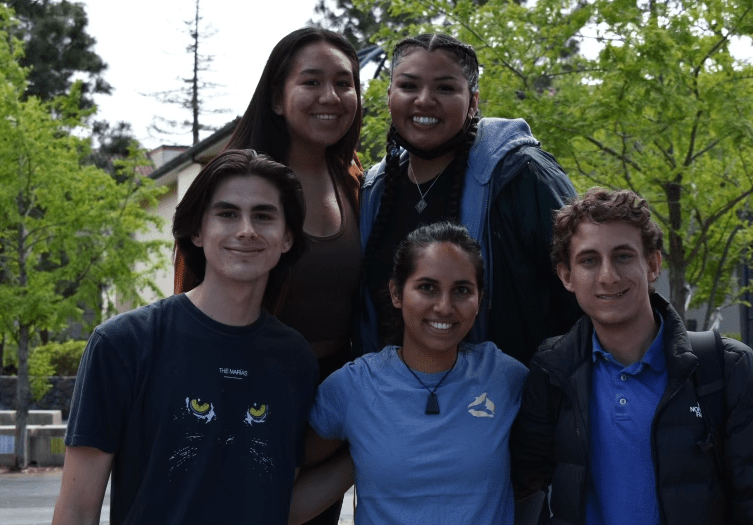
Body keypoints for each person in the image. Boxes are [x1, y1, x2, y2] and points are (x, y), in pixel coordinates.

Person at [52, 150, 318, 525]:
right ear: (197, 231)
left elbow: (278, 500)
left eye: (264, 215)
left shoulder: (295, 358)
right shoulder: (123, 344)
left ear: (287, 237)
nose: (246, 229)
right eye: (227, 214)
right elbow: (77, 511)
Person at [511, 187, 753, 524]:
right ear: (566, 276)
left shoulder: (728, 368)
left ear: (652, 264)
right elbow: (516, 485)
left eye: (623, 256)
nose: (608, 276)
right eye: (589, 260)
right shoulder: (551, 371)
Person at [174, 28, 362, 524]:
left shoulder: (358, 182)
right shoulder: (234, 189)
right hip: (242, 386)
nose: (331, 97)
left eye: (345, 83)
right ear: (277, 98)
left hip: (329, 401)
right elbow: (190, 302)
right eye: (312, 82)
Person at [358, 33, 582, 365]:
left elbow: (583, 293)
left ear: (473, 102)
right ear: (389, 94)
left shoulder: (522, 176)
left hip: (515, 404)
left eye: (445, 88)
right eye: (408, 86)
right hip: (388, 406)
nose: (424, 100)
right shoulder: (373, 192)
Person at [291, 221, 529, 525]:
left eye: (462, 290)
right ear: (396, 292)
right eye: (427, 287)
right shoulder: (353, 387)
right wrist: (359, 459)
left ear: (479, 299)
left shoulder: (505, 376)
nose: (444, 307)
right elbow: (283, 496)